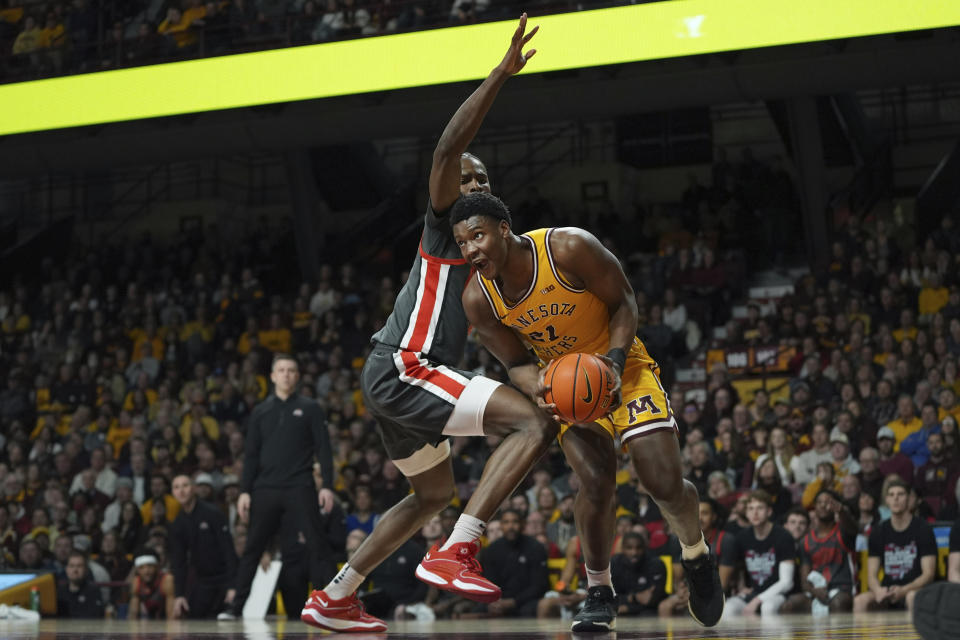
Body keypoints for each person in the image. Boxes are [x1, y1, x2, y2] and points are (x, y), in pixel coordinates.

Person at [300, 16, 558, 633]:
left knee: (433, 495)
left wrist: (543, 373)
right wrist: (500, 74)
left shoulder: (491, 255)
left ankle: (336, 596)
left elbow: (507, 350)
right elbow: (446, 150)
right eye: (464, 179)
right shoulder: (447, 223)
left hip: (399, 378)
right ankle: (458, 548)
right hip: (406, 365)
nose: (471, 185)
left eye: (482, 180)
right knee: (531, 425)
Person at [453, 195, 725, 629]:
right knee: (596, 481)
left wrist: (614, 362)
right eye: (462, 242)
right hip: (568, 388)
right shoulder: (477, 298)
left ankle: (696, 554)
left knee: (662, 483)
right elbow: (517, 364)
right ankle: (599, 590)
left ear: (504, 229)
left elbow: (625, 303)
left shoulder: (568, 248)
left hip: (624, 368)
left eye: (478, 235)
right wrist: (537, 387)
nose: (470, 250)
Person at [220, 353, 335, 619]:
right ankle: (236, 608)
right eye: (281, 370)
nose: (286, 374)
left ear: (297, 376)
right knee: (253, 548)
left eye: (291, 370)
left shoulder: (310, 408)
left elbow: (324, 450)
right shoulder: (260, 411)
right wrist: (245, 491)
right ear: (272, 376)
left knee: (318, 545)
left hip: (300, 485)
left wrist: (327, 485)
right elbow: (250, 456)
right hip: (266, 488)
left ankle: (330, 606)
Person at [854, 477, 936, 612]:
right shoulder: (878, 531)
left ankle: (912, 634)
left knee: (911, 597)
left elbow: (928, 574)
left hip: (915, 589)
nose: (895, 499)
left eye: (900, 494)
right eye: (891, 495)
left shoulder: (923, 528)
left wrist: (904, 590)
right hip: (888, 590)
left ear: (909, 499)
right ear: (886, 500)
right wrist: (878, 590)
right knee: (860, 601)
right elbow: (871, 575)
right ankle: (865, 634)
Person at [169, 474, 238, 619]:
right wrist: (179, 594)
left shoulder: (212, 513)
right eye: (176, 487)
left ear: (193, 489)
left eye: (185, 486)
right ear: (173, 493)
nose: (181, 491)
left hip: (224, 578)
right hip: (203, 581)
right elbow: (179, 561)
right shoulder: (178, 524)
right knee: (194, 617)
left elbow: (228, 551)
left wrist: (233, 586)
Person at [718, 490, 795, 617]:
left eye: (760, 508)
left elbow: (787, 582)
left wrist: (758, 600)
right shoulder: (742, 537)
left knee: (767, 607)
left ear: (769, 512)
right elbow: (737, 566)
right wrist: (741, 585)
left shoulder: (783, 536)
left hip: (778, 594)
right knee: (727, 608)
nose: (755, 513)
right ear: (746, 513)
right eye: (751, 509)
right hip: (753, 592)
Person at [781, 490, 857, 614]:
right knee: (789, 605)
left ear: (835, 506)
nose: (823, 505)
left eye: (827, 502)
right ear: (814, 507)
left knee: (838, 603)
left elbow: (853, 529)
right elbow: (804, 581)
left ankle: (840, 634)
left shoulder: (843, 533)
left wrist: (842, 511)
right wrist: (814, 591)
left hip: (842, 590)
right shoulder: (805, 541)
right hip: (815, 591)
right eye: (819, 502)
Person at [473, 508, 549, 618]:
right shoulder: (491, 550)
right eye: (506, 522)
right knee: (477, 610)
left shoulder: (535, 548)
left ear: (522, 524)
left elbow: (539, 586)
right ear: (501, 525)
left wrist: (513, 602)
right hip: (498, 600)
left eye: (515, 522)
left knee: (527, 611)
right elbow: (488, 581)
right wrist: (494, 601)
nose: (511, 527)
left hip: (526, 601)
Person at [611, 531, 667, 616]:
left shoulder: (656, 564)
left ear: (644, 548)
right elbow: (608, 598)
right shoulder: (614, 564)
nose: (634, 553)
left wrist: (627, 608)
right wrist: (634, 597)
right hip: (619, 612)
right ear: (622, 549)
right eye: (629, 548)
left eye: (639, 548)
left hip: (649, 613)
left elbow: (653, 600)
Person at [56, 551, 105, 618]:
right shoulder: (60, 591)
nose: (75, 570)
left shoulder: (93, 591)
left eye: (79, 566)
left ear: (86, 570)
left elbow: (95, 616)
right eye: (71, 566)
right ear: (66, 569)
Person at [129, 552, 175, 619]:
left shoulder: (167, 580)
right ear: (137, 570)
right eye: (142, 567)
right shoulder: (136, 581)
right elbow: (133, 615)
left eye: (150, 566)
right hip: (151, 621)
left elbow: (172, 617)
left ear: (156, 567)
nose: (146, 571)